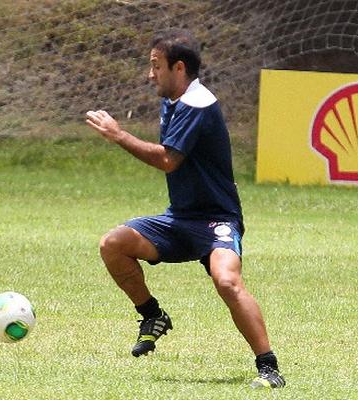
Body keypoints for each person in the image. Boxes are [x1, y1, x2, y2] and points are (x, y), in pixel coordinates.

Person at [85, 29, 285, 389]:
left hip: (217, 221)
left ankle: (269, 367)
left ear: (179, 68)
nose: (150, 75)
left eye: (155, 66)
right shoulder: (173, 99)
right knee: (113, 244)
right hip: (179, 219)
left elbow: (168, 160)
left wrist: (118, 135)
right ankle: (152, 315)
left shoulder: (197, 104)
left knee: (227, 281)